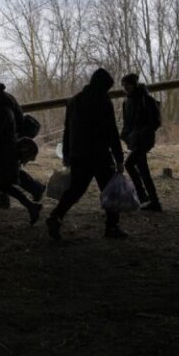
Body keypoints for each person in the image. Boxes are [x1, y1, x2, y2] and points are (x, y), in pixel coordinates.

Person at [45, 68, 128, 240]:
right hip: (100, 155)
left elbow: (68, 129)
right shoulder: (103, 101)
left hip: (79, 154)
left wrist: (67, 154)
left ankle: (56, 216)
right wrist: (119, 158)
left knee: (75, 190)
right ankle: (112, 227)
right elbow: (111, 131)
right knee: (109, 190)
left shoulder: (74, 101)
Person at [0, 82, 42, 227]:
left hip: (2, 152)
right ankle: (30, 205)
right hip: (4, 151)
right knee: (1, 185)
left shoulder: (1, 110)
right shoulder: (3, 105)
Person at [120, 73, 162, 212]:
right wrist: (125, 135)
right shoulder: (126, 101)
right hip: (134, 140)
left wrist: (140, 133)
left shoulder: (146, 99)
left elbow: (156, 122)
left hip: (143, 140)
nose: (125, 88)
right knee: (142, 170)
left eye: (128, 85)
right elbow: (127, 123)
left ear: (134, 84)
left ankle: (144, 196)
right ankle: (152, 200)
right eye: (124, 86)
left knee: (129, 164)